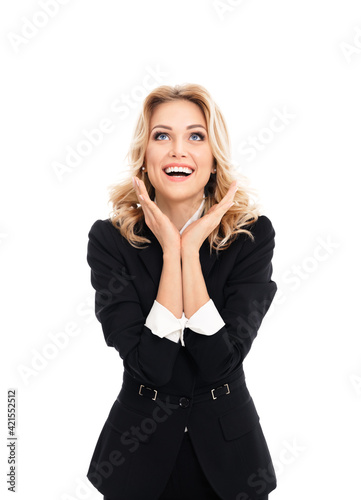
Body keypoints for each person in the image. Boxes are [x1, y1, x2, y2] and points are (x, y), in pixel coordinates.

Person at [86, 83, 277, 500]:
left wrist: (188, 252)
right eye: (161, 136)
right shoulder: (109, 241)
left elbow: (219, 363)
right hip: (134, 461)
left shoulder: (252, 237)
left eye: (195, 135)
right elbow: (150, 366)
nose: (178, 150)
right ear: (145, 157)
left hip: (233, 467)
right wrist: (173, 252)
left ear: (212, 160)